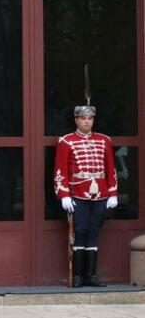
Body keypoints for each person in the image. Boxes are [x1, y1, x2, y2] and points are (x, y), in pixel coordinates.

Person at [54, 105, 118, 288]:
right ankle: (78, 276)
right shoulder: (66, 141)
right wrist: (64, 195)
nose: (87, 121)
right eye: (83, 118)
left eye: (90, 118)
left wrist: (113, 193)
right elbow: (60, 171)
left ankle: (91, 276)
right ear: (76, 120)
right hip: (78, 193)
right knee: (79, 231)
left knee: (94, 231)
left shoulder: (104, 140)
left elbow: (110, 169)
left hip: (101, 193)